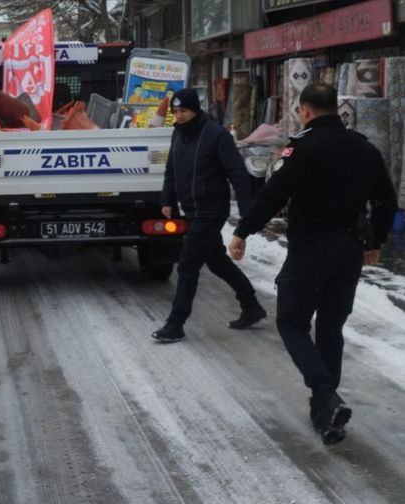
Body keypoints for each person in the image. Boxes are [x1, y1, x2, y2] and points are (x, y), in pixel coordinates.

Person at [229, 83, 397, 445]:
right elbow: (386, 199)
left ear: (304, 110)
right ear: (335, 108)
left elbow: (274, 194)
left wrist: (244, 230)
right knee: (331, 327)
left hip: (310, 251)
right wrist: (375, 241)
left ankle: (324, 393)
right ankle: (327, 414)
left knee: (291, 322)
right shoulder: (364, 148)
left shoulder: (301, 148)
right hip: (349, 251)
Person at [152, 88, 266, 343]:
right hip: (191, 208)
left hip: (211, 208)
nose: (179, 116)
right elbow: (171, 169)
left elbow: (238, 174)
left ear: (196, 110)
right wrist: (167, 199)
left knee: (188, 264)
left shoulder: (216, 135)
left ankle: (176, 323)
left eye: (184, 111)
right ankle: (251, 305)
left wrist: (248, 216)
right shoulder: (178, 134)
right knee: (216, 261)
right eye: (176, 112)